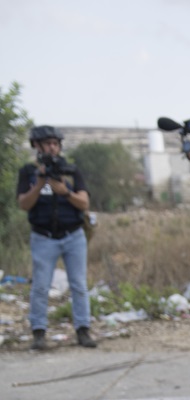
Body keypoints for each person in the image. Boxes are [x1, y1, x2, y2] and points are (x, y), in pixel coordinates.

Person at [16, 125, 94, 350]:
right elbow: (23, 204)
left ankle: (83, 330)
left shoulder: (71, 170)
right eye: (48, 143)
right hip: (43, 237)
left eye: (55, 143)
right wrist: (40, 184)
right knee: (40, 286)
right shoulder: (28, 172)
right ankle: (39, 333)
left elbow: (84, 202)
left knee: (78, 284)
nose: (52, 148)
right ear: (37, 146)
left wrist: (65, 191)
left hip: (73, 236)